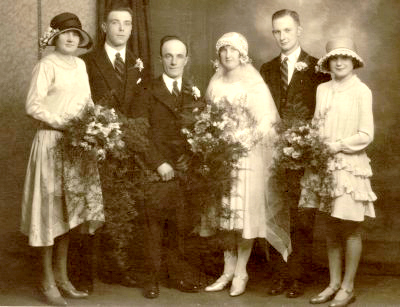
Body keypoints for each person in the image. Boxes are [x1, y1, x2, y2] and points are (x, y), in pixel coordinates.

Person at [21, 12, 104, 306]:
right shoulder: (46, 65)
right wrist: (63, 123)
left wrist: (97, 126)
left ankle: (63, 276)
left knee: (70, 214)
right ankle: (46, 280)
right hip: (51, 143)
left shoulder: (81, 65)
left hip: (77, 146)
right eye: (65, 33)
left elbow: (87, 103)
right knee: (48, 214)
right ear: (55, 37)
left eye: (76, 34)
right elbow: (33, 105)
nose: (71, 38)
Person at [203, 32, 289, 297]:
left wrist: (241, 139)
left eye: (233, 50)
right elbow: (208, 116)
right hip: (221, 158)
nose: (228, 55)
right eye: (223, 50)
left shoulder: (253, 82)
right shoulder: (215, 81)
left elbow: (266, 121)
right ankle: (227, 269)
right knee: (225, 215)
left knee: (244, 215)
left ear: (243, 54)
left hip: (246, 156)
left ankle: (241, 270)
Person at [69, 2, 146, 291]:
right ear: (103, 27)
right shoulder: (86, 61)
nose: (122, 29)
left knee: (121, 206)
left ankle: (116, 268)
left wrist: (129, 138)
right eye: (115, 23)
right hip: (96, 143)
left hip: (126, 146)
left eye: (127, 23)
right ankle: (82, 275)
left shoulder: (138, 62)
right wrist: (99, 135)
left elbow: (140, 109)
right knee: (89, 209)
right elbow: (79, 104)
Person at [301, 37, 376, 307]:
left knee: (351, 228)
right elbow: (316, 124)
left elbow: (366, 134)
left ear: (353, 61)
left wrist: (337, 146)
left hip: (350, 167)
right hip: (324, 167)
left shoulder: (361, 91)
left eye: (344, 57)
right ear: (328, 62)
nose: (340, 62)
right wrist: (309, 143)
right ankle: (333, 283)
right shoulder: (323, 89)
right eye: (334, 57)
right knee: (331, 229)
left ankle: (348, 286)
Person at [259, 9, 330, 298]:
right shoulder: (266, 69)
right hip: (274, 154)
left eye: (287, 30)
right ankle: (278, 275)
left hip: (305, 153)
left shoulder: (317, 68)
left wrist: (307, 144)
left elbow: (324, 113)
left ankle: (297, 277)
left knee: (303, 218)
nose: (282, 36)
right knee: (277, 213)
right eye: (277, 31)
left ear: (299, 30)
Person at [140, 35, 205, 299]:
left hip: (185, 171)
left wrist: (192, 160)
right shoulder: (146, 90)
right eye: (168, 56)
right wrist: (159, 164)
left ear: (186, 60)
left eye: (179, 56)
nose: (173, 61)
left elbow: (201, 132)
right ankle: (152, 279)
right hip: (157, 170)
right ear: (161, 59)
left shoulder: (193, 91)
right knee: (154, 227)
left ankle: (178, 276)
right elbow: (139, 134)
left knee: (181, 227)